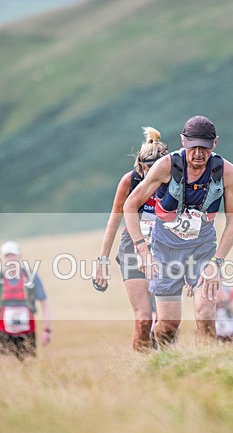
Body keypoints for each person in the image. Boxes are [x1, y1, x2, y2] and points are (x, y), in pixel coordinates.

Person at [123, 115, 233, 347]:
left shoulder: (225, 171)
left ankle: (204, 369)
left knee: (206, 316)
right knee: (168, 325)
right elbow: (130, 205)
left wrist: (216, 263)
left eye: (204, 148)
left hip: (202, 250)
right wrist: (142, 250)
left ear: (215, 143)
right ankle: (164, 362)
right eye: (193, 147)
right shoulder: (167, 166)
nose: (198, 154)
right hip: (166, 251)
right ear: (182, 141)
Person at [94, 126, 169, 351]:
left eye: (156, 169)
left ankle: (164, 361)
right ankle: (139, 363)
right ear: (140, 166)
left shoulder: (175, 181)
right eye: (147, 169)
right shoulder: (130, 181)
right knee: (144, 318)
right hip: (133, 246)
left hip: (165, 248)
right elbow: (113, 222)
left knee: (165, 321)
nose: (151, 175)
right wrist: (102, 262)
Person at [0, 240, 52, 361]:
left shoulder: (32, 277)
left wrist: (47, 330)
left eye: (13, 255)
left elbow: (45, 304)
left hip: (27, 333)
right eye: (7, 255)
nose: (10, 259)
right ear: (2, 258)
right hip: (4, 333)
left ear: (20, 256)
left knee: (29, 369)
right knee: (5, 370)